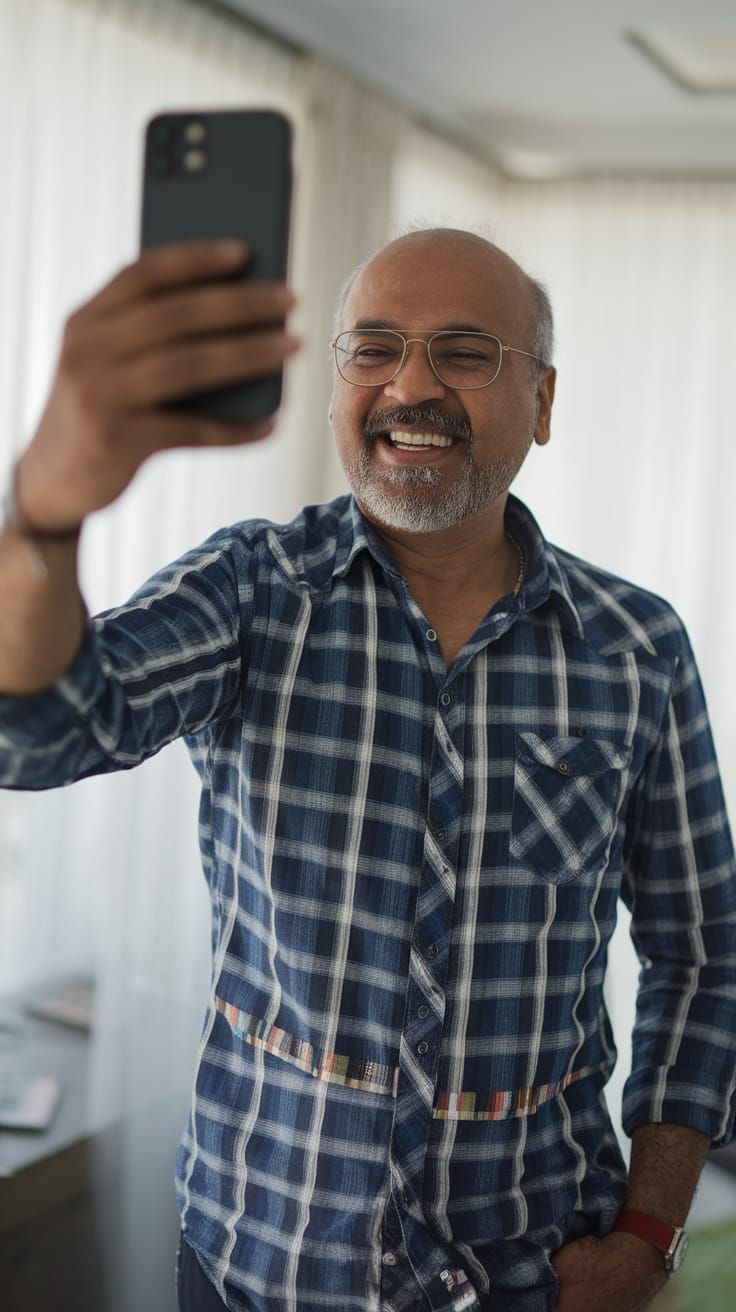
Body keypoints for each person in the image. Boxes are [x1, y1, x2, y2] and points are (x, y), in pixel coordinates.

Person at [0, 226, 734, 1312]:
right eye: (373, 348)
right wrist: (45, 516)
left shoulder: (635, 646)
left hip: (537, 1273)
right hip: (259, 1266)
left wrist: (648, 1230)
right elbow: (38, 735)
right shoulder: (253, 588)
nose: (411, 385)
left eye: (466, 353)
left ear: (541, 400)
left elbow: (701, 950)